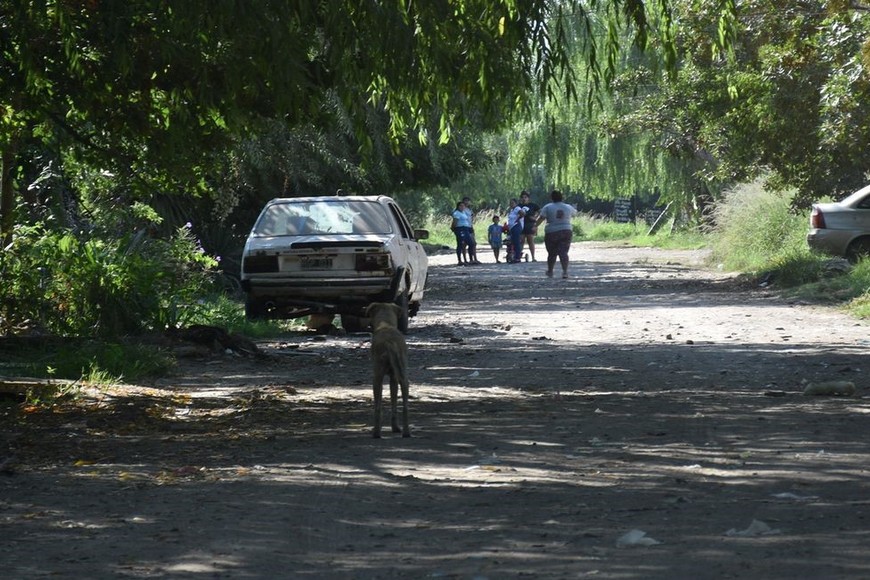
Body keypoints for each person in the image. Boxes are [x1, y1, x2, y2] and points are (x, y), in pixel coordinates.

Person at [536, 189, 577, 278]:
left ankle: (550, 271)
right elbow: (574, 213)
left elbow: (541, 218)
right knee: (564, 252)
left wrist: (535, 226)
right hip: (566, 230)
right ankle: (565, 272)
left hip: (551, 231)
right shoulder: (568, 207)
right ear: (562, 197)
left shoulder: (547, 207)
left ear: (551, 198)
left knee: (552, 253)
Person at [519, 190, 540, 262]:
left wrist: (535, 218)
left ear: (528, 198)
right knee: (521, 241)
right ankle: (518, 256)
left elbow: (539, 212)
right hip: (521, 225)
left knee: (530, 241)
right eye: (522, 197)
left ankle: (533, 257)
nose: (524, 199)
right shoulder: (519, 206)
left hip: (530, 224)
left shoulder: (532, 205)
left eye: (525, 197)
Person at [451, 200, 473, 265]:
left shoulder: (463, 212)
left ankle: (470, 259)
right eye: (461, 206)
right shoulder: (456, 213)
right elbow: (454, 222)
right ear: (458, 206)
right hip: (460, 229)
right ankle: (460, 260)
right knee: (460, 244)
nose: (462, 207)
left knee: (471, 244)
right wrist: (455, 229)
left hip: (466, 229)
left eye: (463, 206)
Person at [461, 196, 481, 264]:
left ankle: (475, 258)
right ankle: (465, 259)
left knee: (473, 243)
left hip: (470, 227)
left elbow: (471, 218)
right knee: (464, 244)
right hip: (464, 227)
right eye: (465, 201)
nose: (467, 202)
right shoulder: (461, 209)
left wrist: (472, 226)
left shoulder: (469, 210)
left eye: (468, 201)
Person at [506, 198, 525, 263]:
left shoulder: (517, 208)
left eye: (512, 203)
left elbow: (522, 213)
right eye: (510, 203)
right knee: (513, 241)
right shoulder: (511, 210)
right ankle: (513, 255)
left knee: (516, 242)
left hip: (516, 226)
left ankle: (517, 257)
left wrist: (518, 218)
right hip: (512, 227)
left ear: (516, 203)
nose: (511, 204)